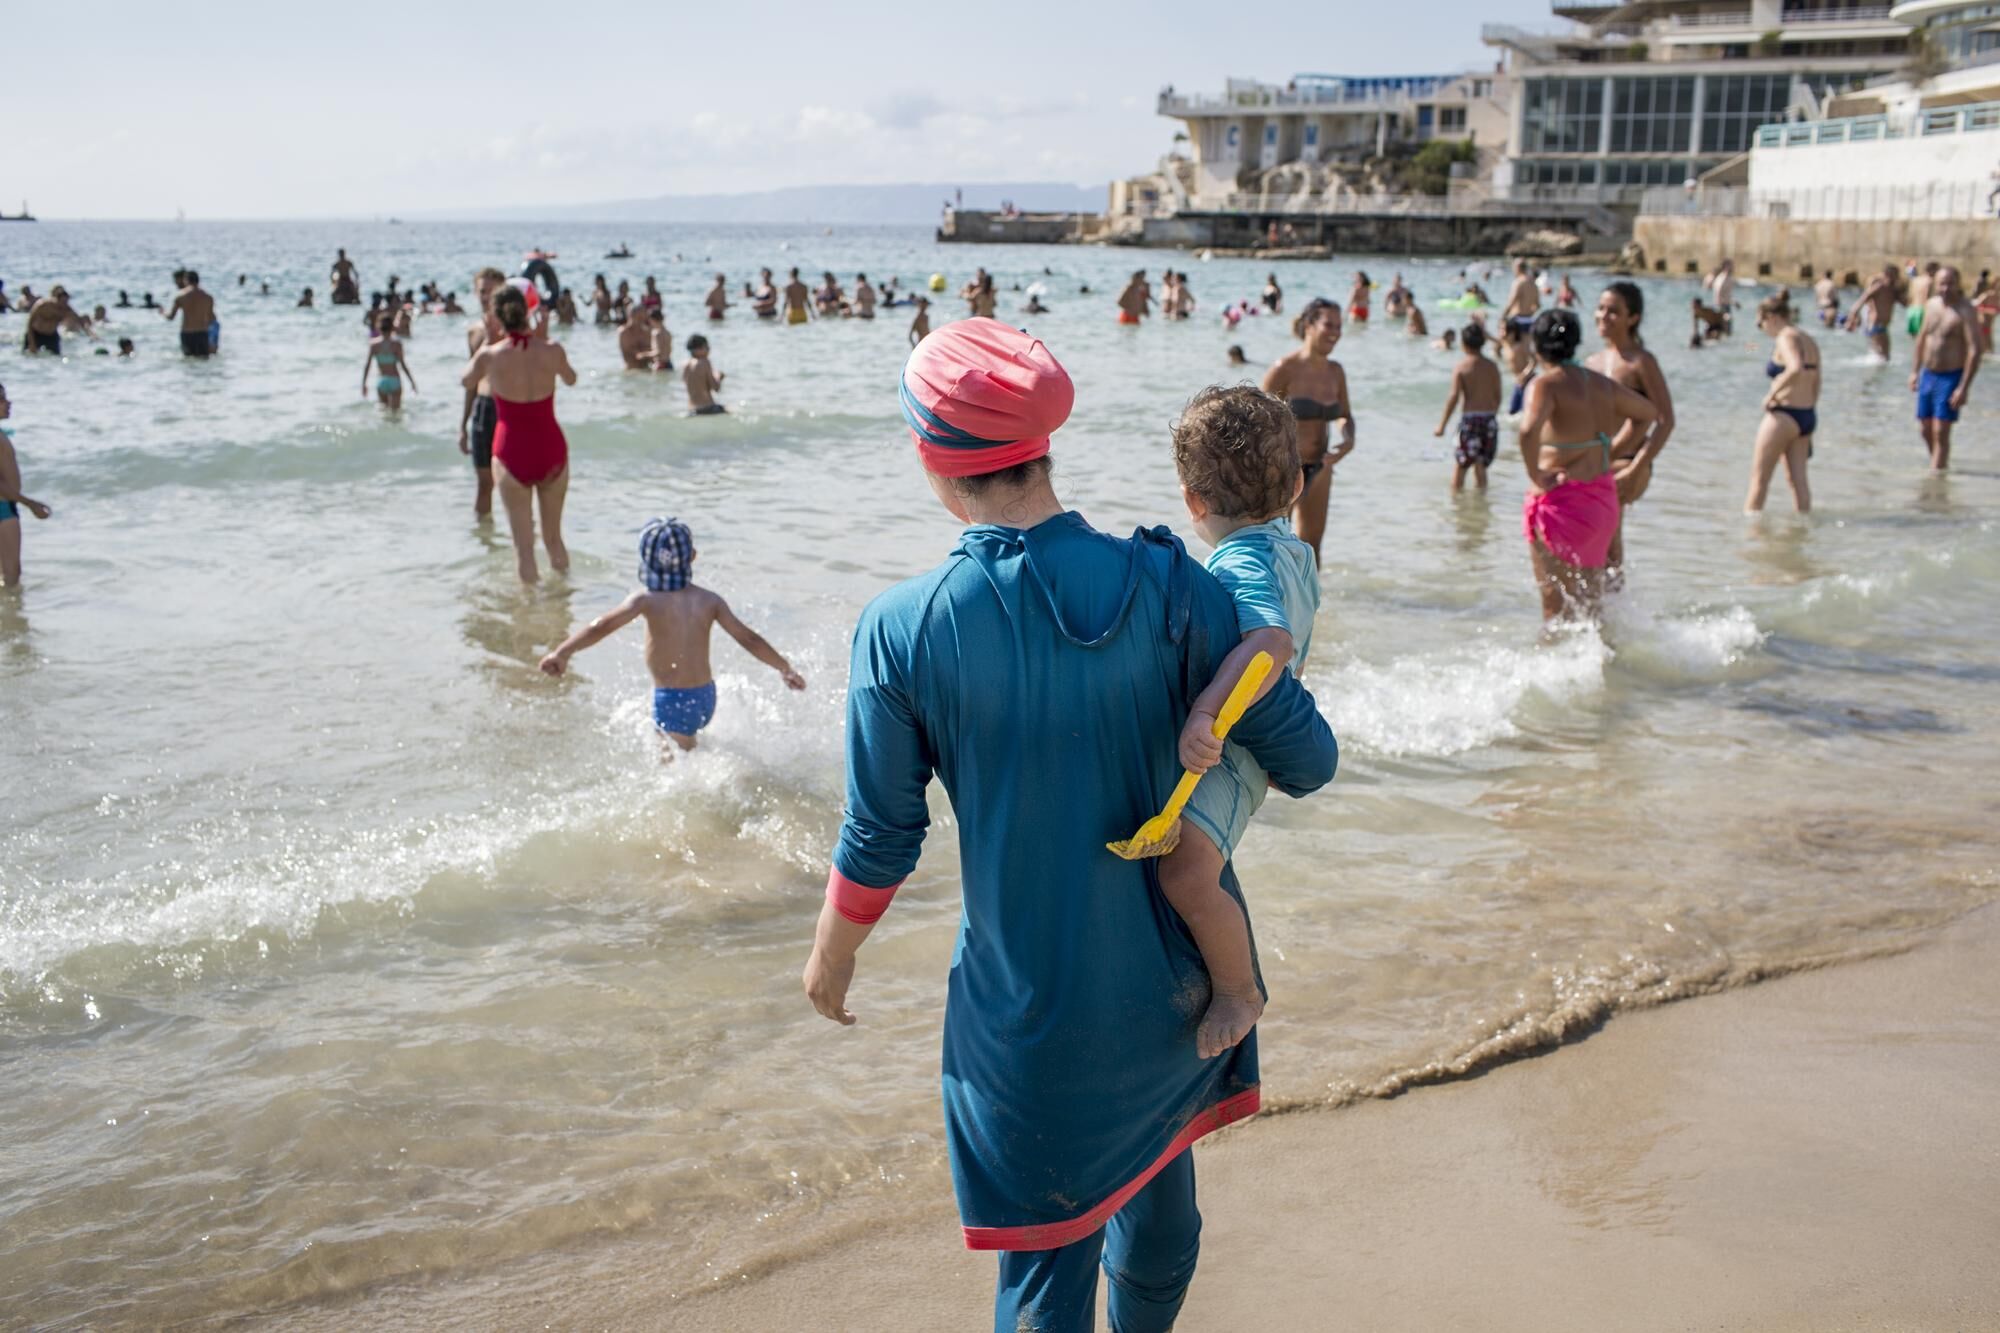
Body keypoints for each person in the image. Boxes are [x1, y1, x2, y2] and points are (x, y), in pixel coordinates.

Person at [801, 317, 1337, 1333]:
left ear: (930, 456)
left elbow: (880, 835)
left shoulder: (899, 628)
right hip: (1170, 987)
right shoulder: (1175, 581)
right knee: (1160, 1212)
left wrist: (830, 961)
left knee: (1047, 1282)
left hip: (1028, 1014)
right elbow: (1306, 760)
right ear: (1043, 439)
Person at [1161, 384, 1323, 1059]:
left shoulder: (1241, 559)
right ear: (1292, 485)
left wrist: (1206, 708)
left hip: (1234, 744)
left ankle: (1238, 989)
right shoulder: (1294, 550)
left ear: (1193, 501)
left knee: (1186, 876)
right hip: (1260, 736)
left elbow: (1271, 644)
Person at [539, 517, 804, 757]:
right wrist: (784, 667)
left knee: (671, 765)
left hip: (672, 700)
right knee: (689, 752)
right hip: (706, 696)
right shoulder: (709, 601)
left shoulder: (646, 600)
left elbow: (601, 627)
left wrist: (562, 652)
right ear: (693, 557)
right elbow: (749, 639)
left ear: (645, 560)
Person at [1516, 310, 1657, 623]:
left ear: (1536, 348)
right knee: (1592, 608)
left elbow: (1527, 431)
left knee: (1555, 611)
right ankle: (1604, 665)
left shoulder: (1546, 385)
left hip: (1561, 504)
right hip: (1601, 501)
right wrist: (1610, 450)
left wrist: (1535, 475)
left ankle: (1556, 669)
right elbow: (1648, 413)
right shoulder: (1600, 384)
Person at [459, 285, 576, 584]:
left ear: (497, 318)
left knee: (523, 549)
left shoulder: (490, 356)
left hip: (511, 451)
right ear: (528, 311)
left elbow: (466, 380)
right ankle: (563, 604)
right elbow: (571, 379)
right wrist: (544, 338)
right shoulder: (552, 350)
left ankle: (530, 617)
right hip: (550, 447)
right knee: (554, 540)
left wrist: (489, 340)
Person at [1586, 281, 1676, 571]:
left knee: (1609, 537)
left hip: (1630, 462)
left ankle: (1610, 606)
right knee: (1594, 537)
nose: (1603, 316)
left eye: (1613, 311)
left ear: (1632, 318)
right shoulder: (1593, 363)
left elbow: (1666, 421)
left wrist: (1637, 467)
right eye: (1600, 308)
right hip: (1598, 460)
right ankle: (1599, 606)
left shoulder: (1641, 362)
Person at [1260, 297, 1353, 562]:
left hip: (1321, 467)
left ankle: (1311, 604)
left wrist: (1348, 440)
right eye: (1329, 324)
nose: (1336, 332)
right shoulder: (1284, 369)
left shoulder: (1336, 372)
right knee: (1273, 546)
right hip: (1282, 469)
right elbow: (1255, 421)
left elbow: (1345, 416)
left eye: (1339, 325)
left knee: (1311, 550)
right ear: (1309, 325)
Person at [1748, 291, 1819, 513]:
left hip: (1783, 415)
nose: (1762, 328)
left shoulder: (1785, 337)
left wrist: (1772, 395)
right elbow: (1817, 380)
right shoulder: (1808, 339)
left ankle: (1750, 536)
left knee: (1759, 481)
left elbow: (1795, 368)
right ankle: (1803, 534)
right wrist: (1810, 410)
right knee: (1799, 484)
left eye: (1761, 323)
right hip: (1806, 416)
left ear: (1772, 317)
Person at [1909, 265, 1983, 471]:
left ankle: (1935, 476)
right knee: (1925, 428)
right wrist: (1914, 371)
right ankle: (1941, 468)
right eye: (1942, 283)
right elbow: (1921, 340)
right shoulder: (1931, 305)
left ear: (1958, 284)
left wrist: (1963, 387)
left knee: (1941, 430)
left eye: (1950, 283)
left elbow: (1975, 350)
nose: (1945, 288)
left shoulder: (1965, 310)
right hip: (1928, 374)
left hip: (1951, 376)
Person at [458, 267, 507, 519]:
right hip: (482, 408)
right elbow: (470, 381)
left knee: (515, 485)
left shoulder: (514, 329)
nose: (486, 296)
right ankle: (486, 543)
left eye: (492, 291)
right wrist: (462, 424)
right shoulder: (474, 331)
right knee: (484, 483)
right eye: (482, 291)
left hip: (508, 408)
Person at [1434, 323, 1503, 492]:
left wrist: (1442, 425)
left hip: (1470, 420)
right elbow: (1498, 395)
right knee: (1481, 465)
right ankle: (1481, 505)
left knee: (1461, 464)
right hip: (1489, 419)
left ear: (1464, 345)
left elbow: (1454, 397)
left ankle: (1457, 505)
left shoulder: (1462, 367)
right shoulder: (1492, 366)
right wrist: (1492, 413)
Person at [0, 381, 54, 588]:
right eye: (2, 400)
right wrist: (29, 503)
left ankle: (8, 615)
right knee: (12, 573)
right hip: (4, 509)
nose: (8, 403)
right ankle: (13, 616)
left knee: (5, 574)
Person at [361, 309, 415, 410]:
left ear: (378, 326)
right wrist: (412, 382)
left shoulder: (373, 344)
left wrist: (364, 384)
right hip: (394, 380)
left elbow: (367, 366)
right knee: (395, 414)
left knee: (384, 412)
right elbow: (403, 365)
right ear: (392, 327)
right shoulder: (397, 345)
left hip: (381, 381)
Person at [1499, 259, 1540, 377]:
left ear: (1517, 268)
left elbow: (1512, 301)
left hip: (1517, 319)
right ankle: (1526, 373)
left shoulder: (1518, 282)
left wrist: (1503, 316)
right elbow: (1537, 304)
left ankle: (1520, 375)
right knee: (1526, 350)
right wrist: (1530, 313)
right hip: (1529, 319)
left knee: (1506, 346)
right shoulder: (1533, 283)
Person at [23, 286, 93, 354]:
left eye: (66, 302)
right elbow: (30, 322)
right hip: (36, 333)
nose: (64, 304)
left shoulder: (67, 309)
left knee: (56, 357)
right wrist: (31, 342)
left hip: (51, 335)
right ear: (57, 299)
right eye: (63, 302)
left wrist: (92, 335)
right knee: (29, 355)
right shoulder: (43, 305)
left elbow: (80, 322)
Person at [164, 271, 216, 358]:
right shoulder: (208, 297)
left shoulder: (180, 296)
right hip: (202, 333)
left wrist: (163, 312)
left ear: (186, 281)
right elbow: (211, 318)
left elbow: (171, 317)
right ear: (198, 281)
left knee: (188, 361)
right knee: (203, 361)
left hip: (187, 333)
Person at [682, 334, 724, 414]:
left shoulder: (685, 365)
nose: (709, 350)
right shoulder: (705, 362)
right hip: (708, 407)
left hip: (692, 410)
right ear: (698, 349)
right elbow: (716, 388)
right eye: (707, 347)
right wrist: (718, 377)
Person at [619, 302, 661, 370]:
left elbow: (654, 352)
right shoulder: (623, 332)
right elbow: (628, 353)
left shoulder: (647, 331)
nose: (642, 319)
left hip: (646, 369)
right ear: (631, 315)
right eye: (639, 317)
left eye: (643, 316)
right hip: (631, 370)